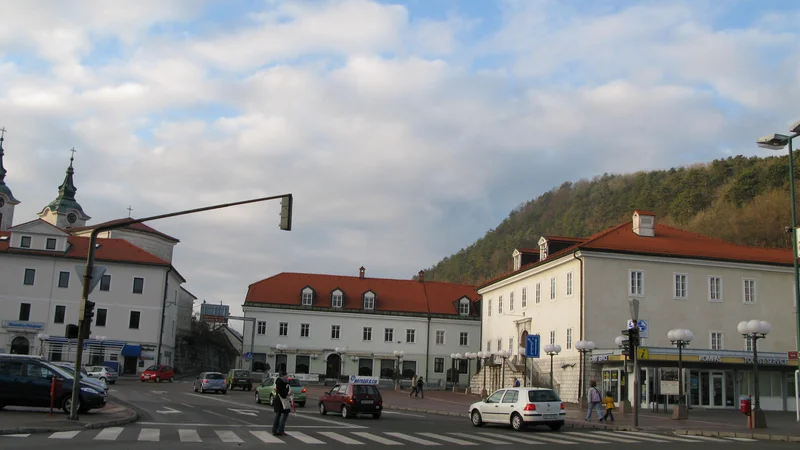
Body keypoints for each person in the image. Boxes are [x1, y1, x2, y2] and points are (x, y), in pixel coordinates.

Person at [272, 371, 291, 436]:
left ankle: (275, 430)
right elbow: (282, 393)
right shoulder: (282, 382)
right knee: (284, 414)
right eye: (286, 375)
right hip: (282, 400)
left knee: (278, 415)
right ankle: (280, 430)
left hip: (278, 400)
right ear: (283, 375)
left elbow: (281, 391)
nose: (287, 377)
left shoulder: (283, 382)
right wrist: (288, 394)